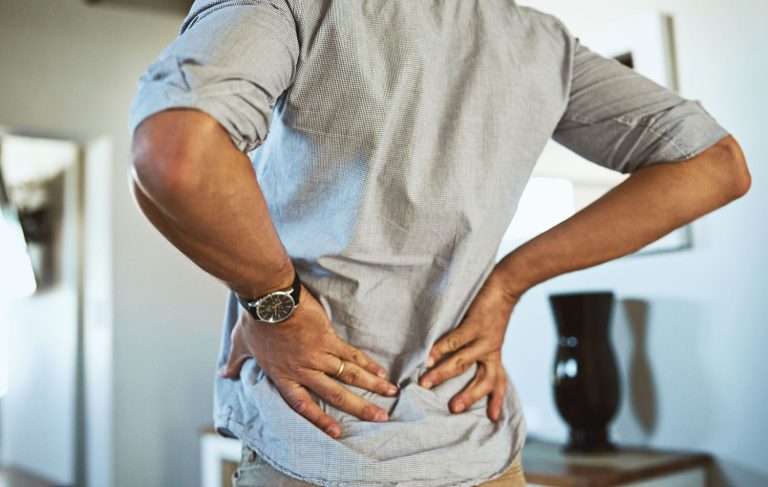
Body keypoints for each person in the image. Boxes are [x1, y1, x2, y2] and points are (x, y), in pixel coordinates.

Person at [128, 0, 750, 485]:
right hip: (478, 449)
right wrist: (509, 282)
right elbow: (716, 164)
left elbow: (176, 153)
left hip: (321, 448)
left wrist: (276, 306)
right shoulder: (541, 43)